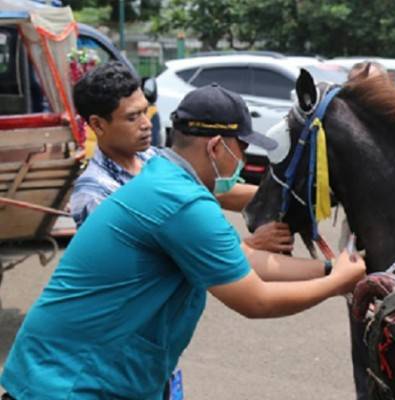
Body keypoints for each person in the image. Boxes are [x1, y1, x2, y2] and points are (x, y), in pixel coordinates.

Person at [0, 83, 366, 400]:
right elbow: (255, 300)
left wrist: (330, 267)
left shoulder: (165, 176)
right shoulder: (181, 202)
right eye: (241, 147)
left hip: (74, 375)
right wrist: (335, 285)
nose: (244, 158)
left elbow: (243, 260)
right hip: (69, 385)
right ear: (217, 147)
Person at [70, 61, 293, 253]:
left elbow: (217, 192)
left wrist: (287, 196)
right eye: (132, 117)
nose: (146, 124)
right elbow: (146, 264)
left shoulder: (152, 158)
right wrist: (250, 247)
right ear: (98, 125)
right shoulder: (96, 193)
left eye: (145, 112)